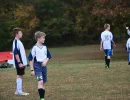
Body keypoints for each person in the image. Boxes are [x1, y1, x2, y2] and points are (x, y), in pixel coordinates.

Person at [28, 31, 52, 100]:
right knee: (40, 81)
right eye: (43, 38)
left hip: (44, 66)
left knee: (43, 82)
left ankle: (42, 97)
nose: (44, 39)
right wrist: (32, 70)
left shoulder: (45, 47)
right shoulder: (34, 48)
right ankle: (42, 98)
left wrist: (45, 61)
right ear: (38, 38)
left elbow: (48, 56)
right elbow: (31, 59)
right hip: (37, 66)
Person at [12, 27, 29, 95]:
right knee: (20, 75)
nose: (21, 34)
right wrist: (19, 62)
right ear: (16, 34)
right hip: (19, 63)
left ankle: (17, 91)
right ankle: (19, 91)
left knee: (20, 75)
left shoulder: (19, 41)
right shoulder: (16, 42)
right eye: (20, 33)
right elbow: (16, 53)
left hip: (22, 62)